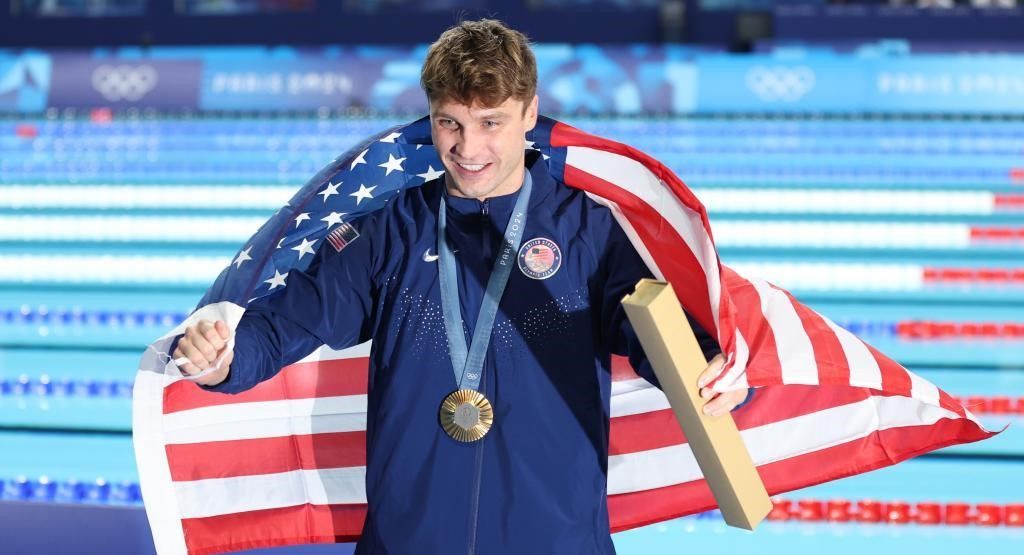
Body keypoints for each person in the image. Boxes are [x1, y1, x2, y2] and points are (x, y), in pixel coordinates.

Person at [173, 19, 748, 554]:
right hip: (410, 536)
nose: (468, 149)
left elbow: (652, 331)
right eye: (450, 122)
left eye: (490, 122)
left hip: (556, 537)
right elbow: (281, 329)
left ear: (529, 114)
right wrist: (221, 357)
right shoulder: (390, 231)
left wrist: (708, 369)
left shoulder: (588, 230)